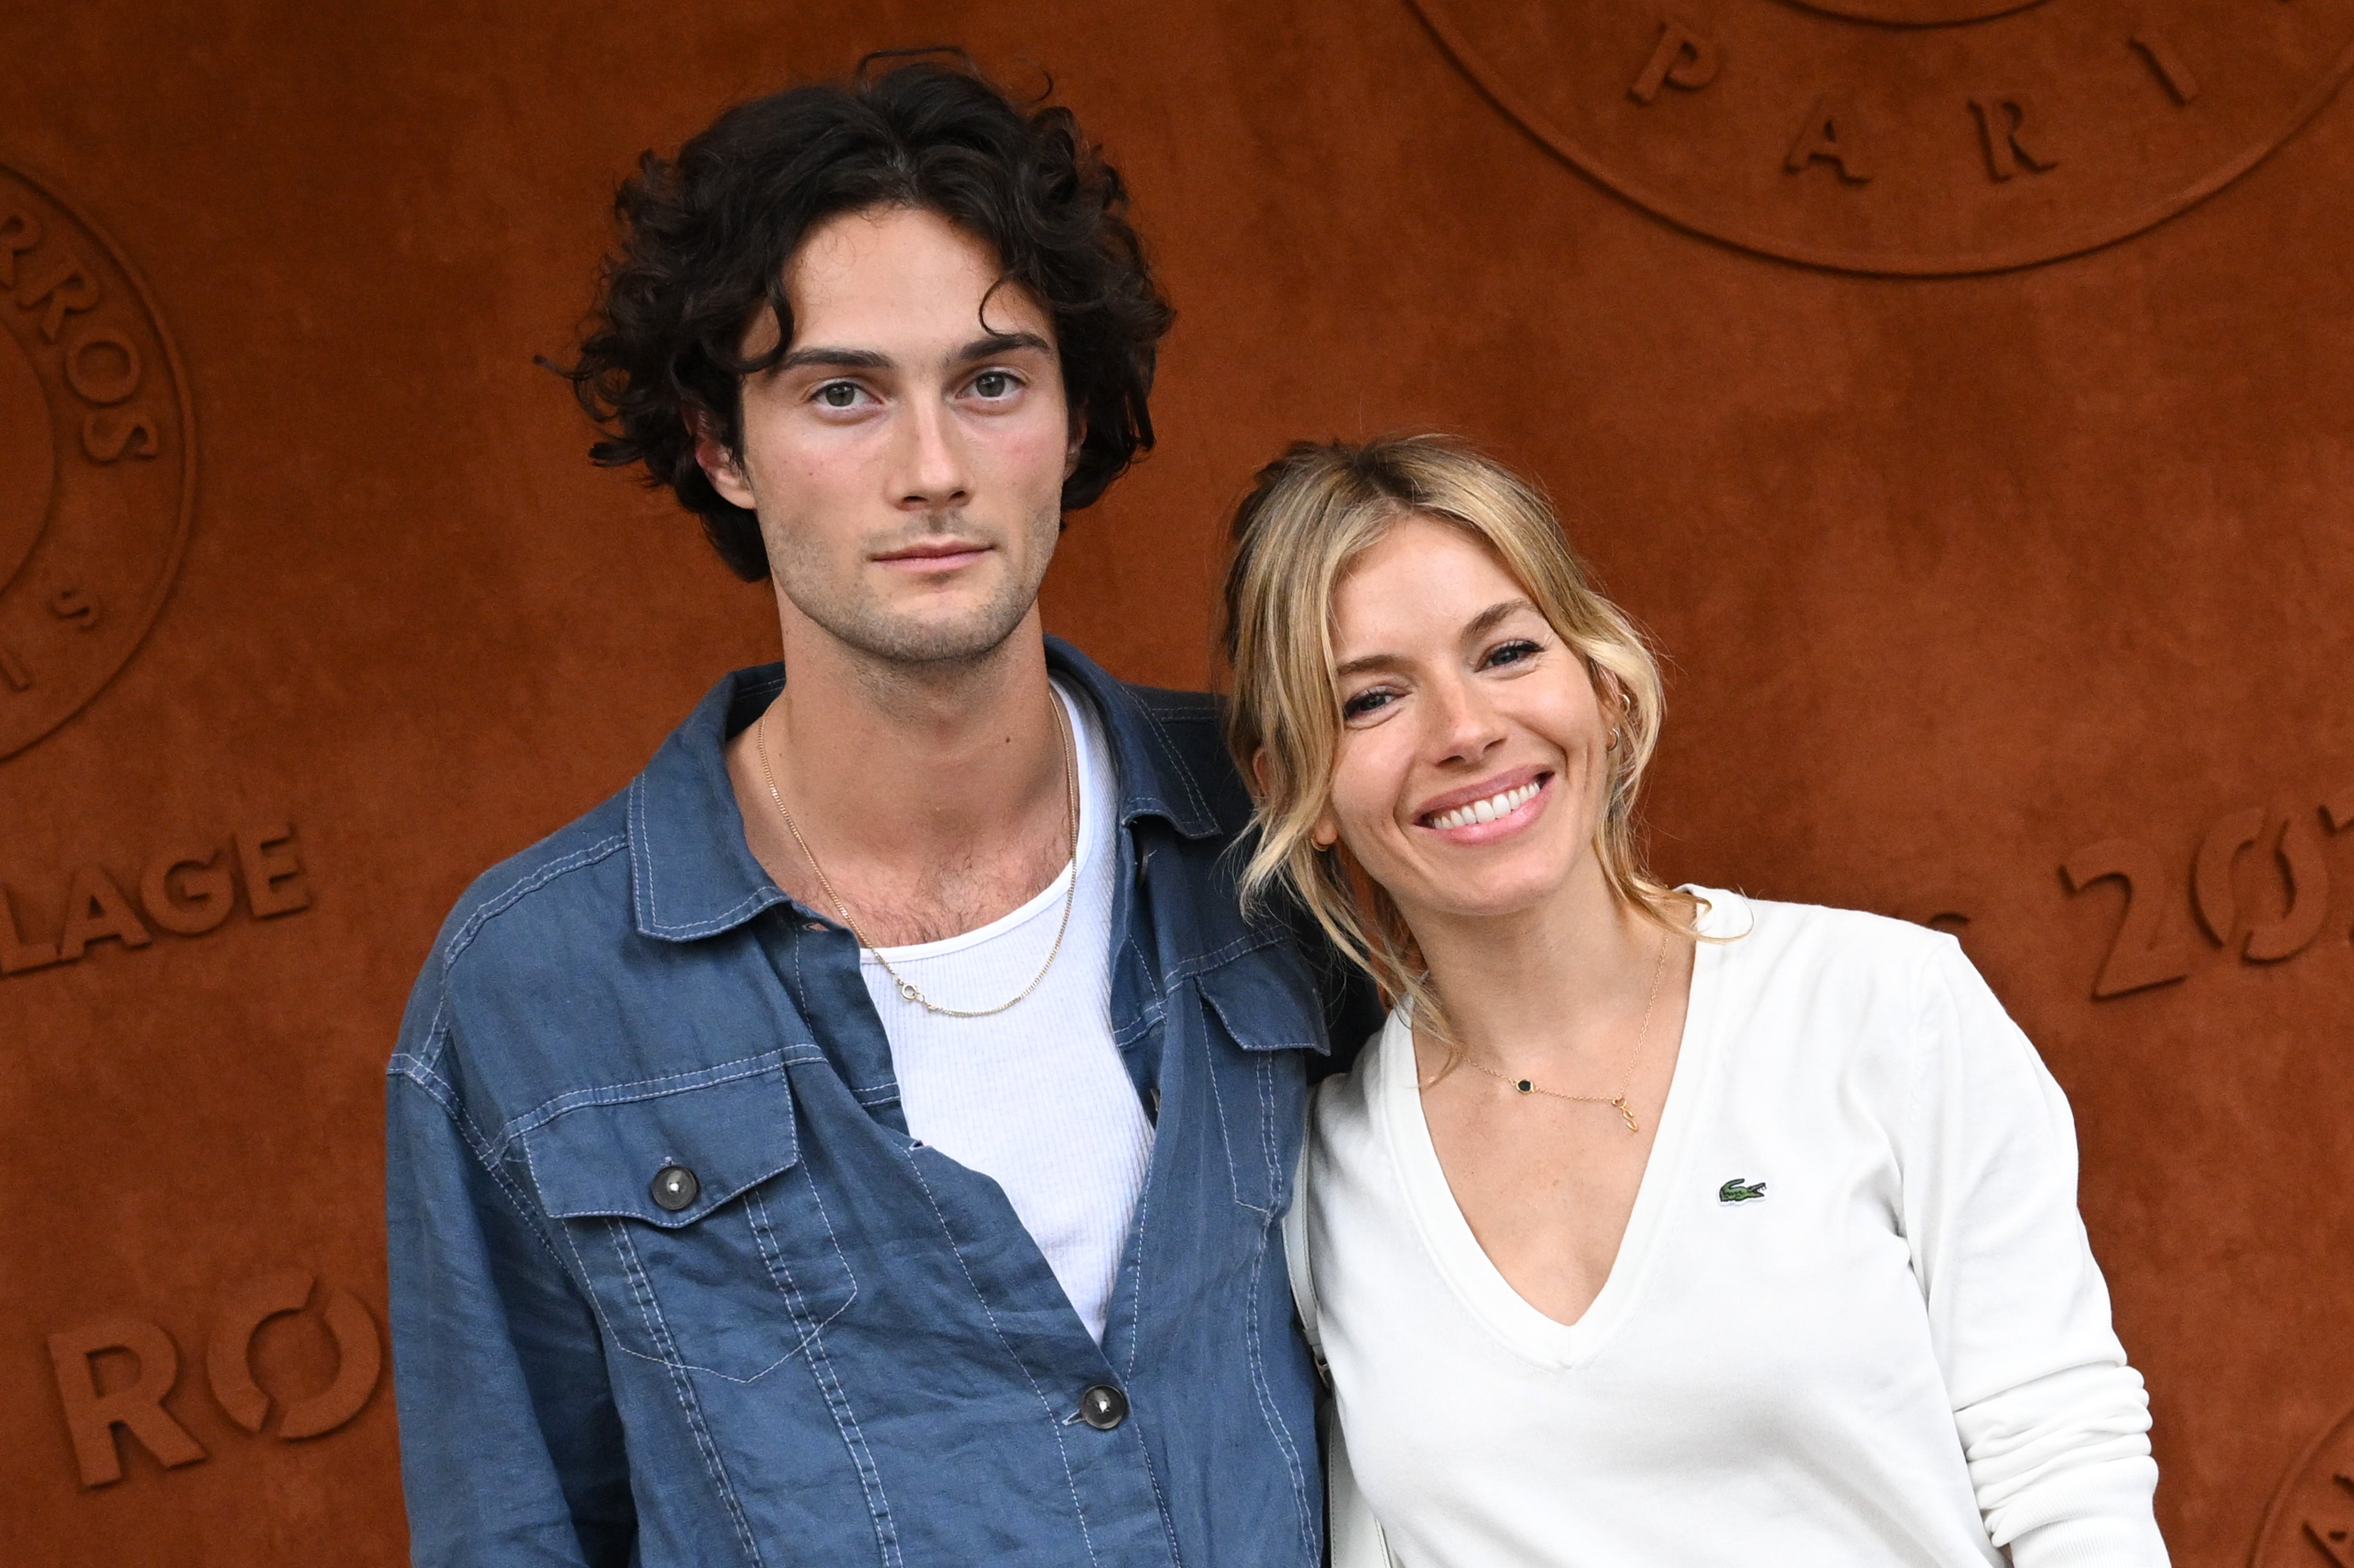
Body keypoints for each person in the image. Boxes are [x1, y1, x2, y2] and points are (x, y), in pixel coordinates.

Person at [385, 57, 1370, 1568]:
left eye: (991, 383)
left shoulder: (1280, 817)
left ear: (1073, 421)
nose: (931, 471)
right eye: (841, 394)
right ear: (721, 447)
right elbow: (512, 1531)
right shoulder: (535, 989)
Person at [1222, 435, 2169, 1567]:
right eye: (1372, 697)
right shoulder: (1320, 1187)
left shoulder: (1880, 1008)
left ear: (1600, 683)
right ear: (1298, 789)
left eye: (1508, 650)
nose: (1464, 729)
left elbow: (2064, 1468)